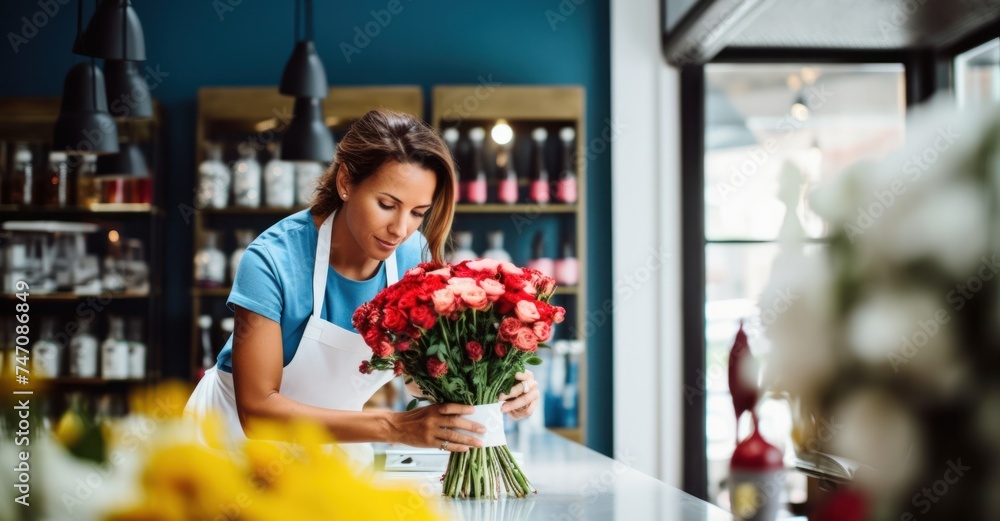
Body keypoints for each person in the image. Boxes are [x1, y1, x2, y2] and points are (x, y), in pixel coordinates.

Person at [184, 109, 540, 466]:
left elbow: (416, 375)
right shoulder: (272, 260)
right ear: (345, 182)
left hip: (330, 451)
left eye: (418, 212)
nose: (400, 229)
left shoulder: (411, 253)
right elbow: (257, 412)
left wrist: (496, 382)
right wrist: (394, 426)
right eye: (387, 205)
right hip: (228, 447)